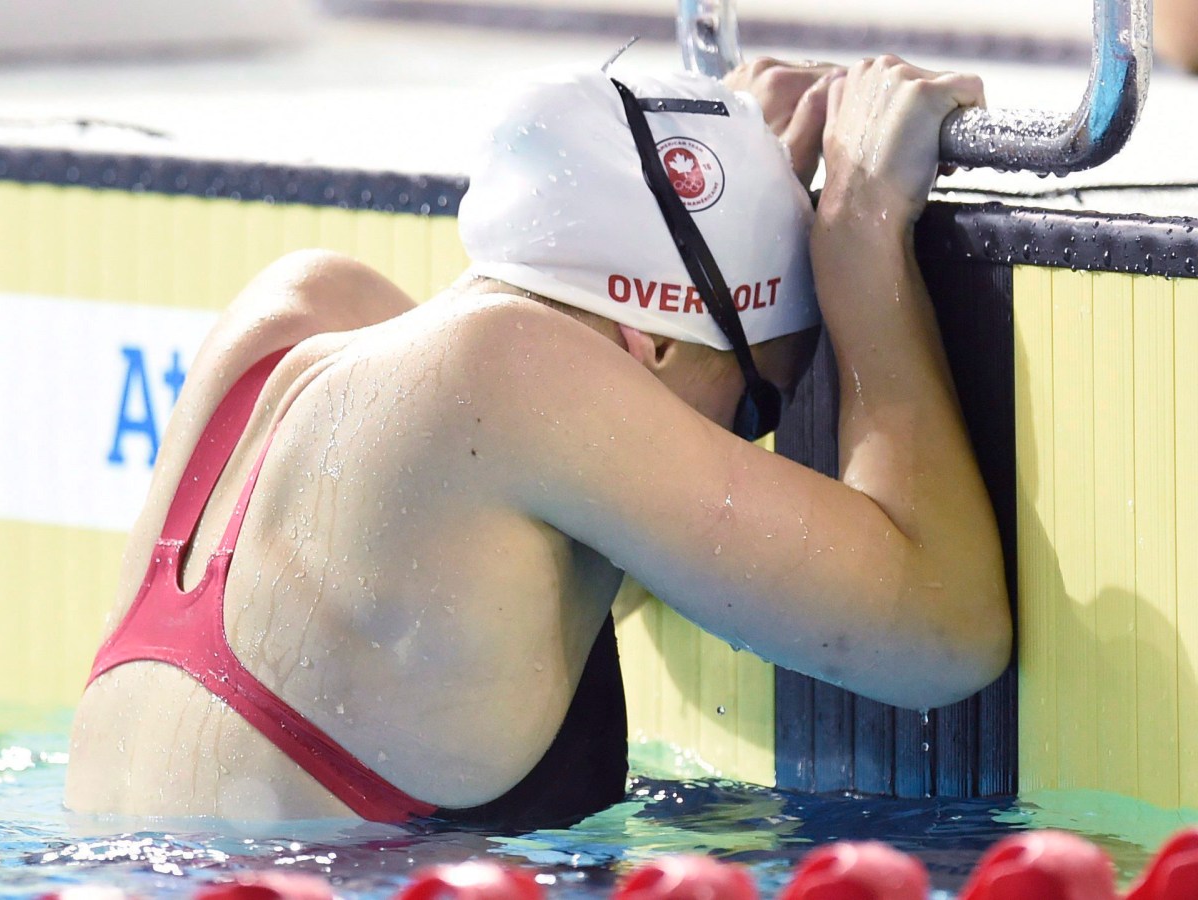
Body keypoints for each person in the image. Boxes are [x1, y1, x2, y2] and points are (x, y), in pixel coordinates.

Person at [65, 55, 1011, 828]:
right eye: (753, 408)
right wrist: (859, 236)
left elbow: (636, 537)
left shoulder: (292, 325)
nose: (734, 448)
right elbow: (943, 640)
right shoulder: (516, 370)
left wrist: (737, 182)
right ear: (649, 344)